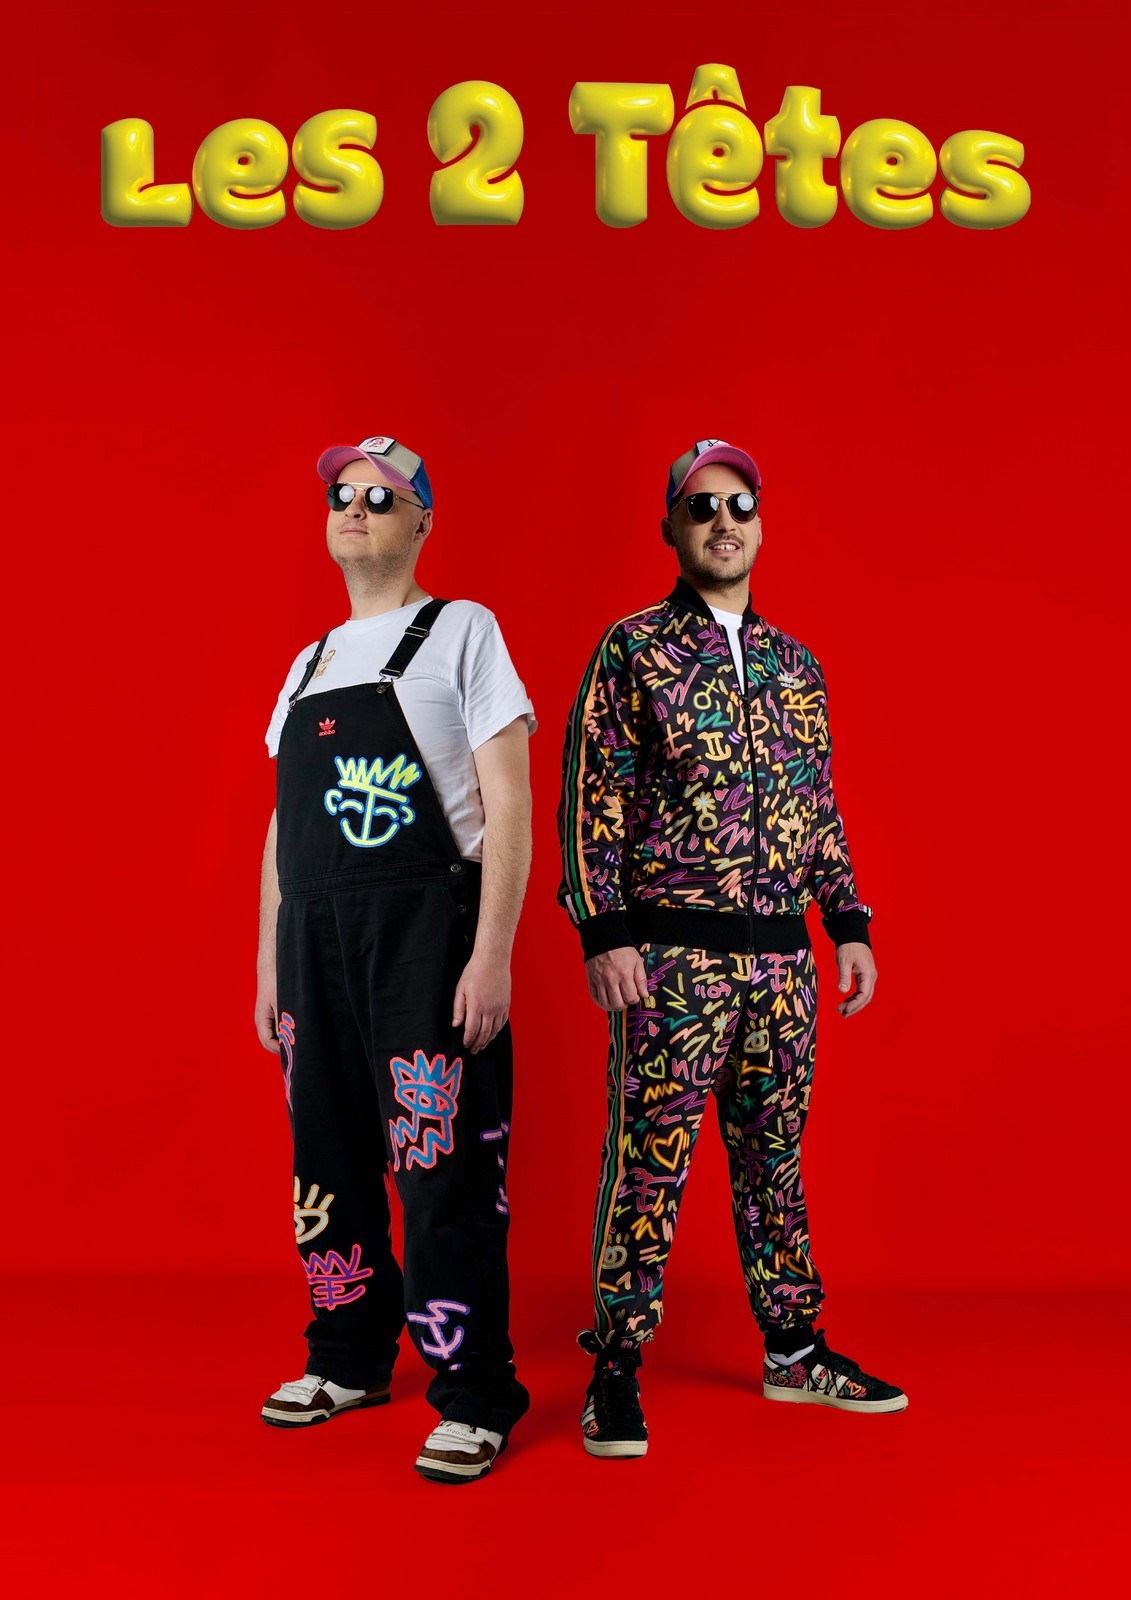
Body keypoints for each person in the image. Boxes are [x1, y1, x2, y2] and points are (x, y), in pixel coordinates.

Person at [557, 438, 907, 1458]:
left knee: (775, 1163)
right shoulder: (634, 650)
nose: (724, 521)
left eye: (740, 505)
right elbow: (593, 797)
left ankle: (793, 1348)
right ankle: (615, 1366)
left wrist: (847, 922)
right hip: (673, 963)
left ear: (760, 524)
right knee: (648, 1165)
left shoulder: (798, 667)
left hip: (782, 968)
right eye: (703, 505)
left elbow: (816, 807)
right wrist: (603, 930)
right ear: (671, 526)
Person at [256, 434, 533, 1483]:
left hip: (425, 929)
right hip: (312, 940)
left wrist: (492, 954)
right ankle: (347, 1356)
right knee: (324, 1160)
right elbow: (281, 828)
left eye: (382, 496)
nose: (356, 507)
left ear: (422, 521)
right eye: (342, 493)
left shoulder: (461, 631)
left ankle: (474, 1390)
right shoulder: (309, 664)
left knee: (441, 1166)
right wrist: (267, 964)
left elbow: (508, 802)